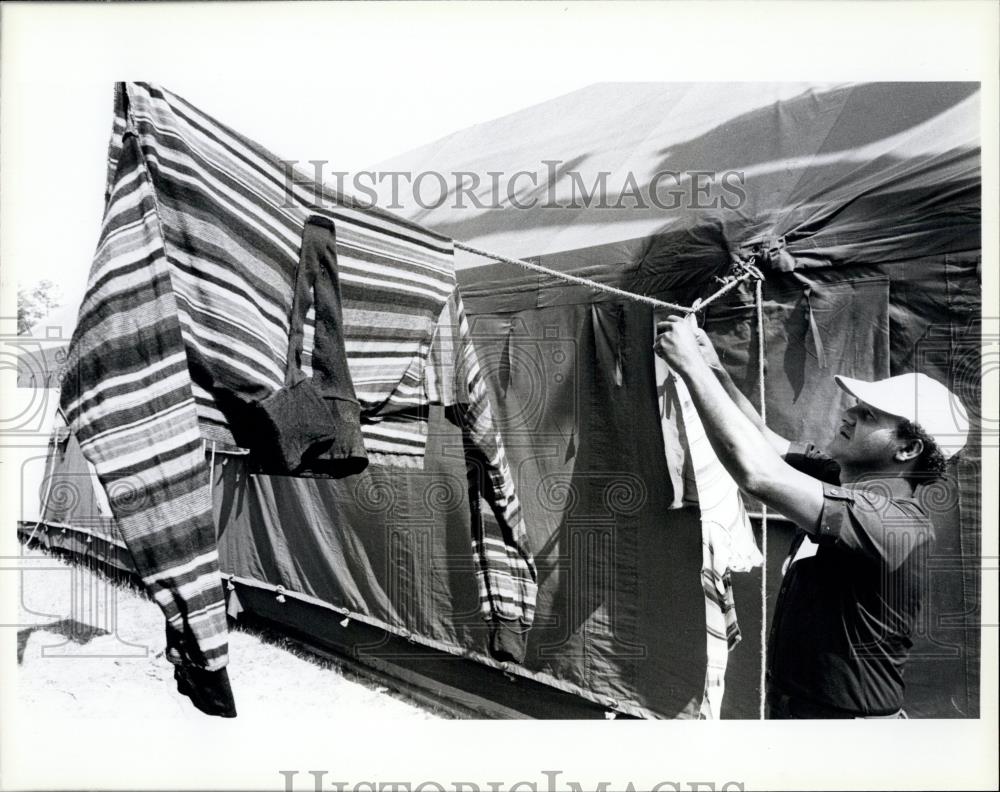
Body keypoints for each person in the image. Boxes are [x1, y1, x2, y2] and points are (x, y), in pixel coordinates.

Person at [653, 313, 968, 718]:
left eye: (869, 415)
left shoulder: (894, 523)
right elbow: (763, 441)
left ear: (907, 451)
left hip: (846, 732)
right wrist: (714, 370)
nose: (849, 414)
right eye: (857, 406)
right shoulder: (843, 479)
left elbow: (759, 474)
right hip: (803, 711)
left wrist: (690, 369)